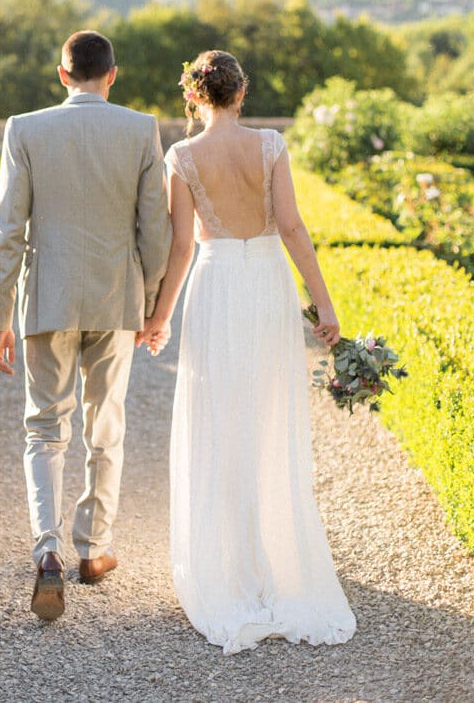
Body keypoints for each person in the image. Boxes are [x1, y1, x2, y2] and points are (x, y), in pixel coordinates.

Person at [139, 50, 356, 654]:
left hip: (213, 289)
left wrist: (159, 318)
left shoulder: (181, 156)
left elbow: (181, 247)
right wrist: (325, 305)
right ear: (242, 93)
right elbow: (292, 228)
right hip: (265, 287)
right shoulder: (270, 148)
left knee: (219, 423)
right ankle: (275, 563)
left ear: (194, 97)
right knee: (269, 420)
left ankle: (228, 567)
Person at [0, 30, 172, 621]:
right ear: (112, 74)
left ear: (62, 75)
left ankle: (48, 549)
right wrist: (150, 305)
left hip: (47, 299)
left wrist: (0, 314)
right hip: (115, 299)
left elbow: (7, 230)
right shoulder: (142, 128)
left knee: (45, 427)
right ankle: (92, 550)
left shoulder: (24, 128)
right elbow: (157, 232)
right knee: (105, 424)